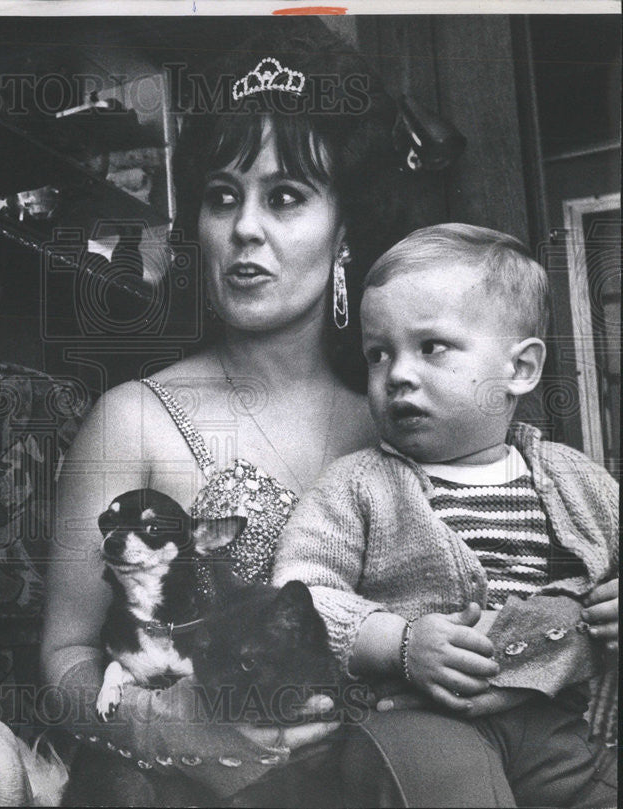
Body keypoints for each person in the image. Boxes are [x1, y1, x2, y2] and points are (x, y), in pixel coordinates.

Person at [40, 21, 406, 806]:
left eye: (285, 197)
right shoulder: (134, 420)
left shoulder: (401, 423)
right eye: (222, 197)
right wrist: (178, 736)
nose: (246, 227)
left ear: (343, 232)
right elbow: (65, 660)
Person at [273, 223, 619, 807]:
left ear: (522, 369)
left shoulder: (575, 479)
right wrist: (400, 643)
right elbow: (297, 594)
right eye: (378, 354)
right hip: (417, 720)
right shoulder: (359, 485)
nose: (398, 374)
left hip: (555, 720)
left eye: (431, 347)